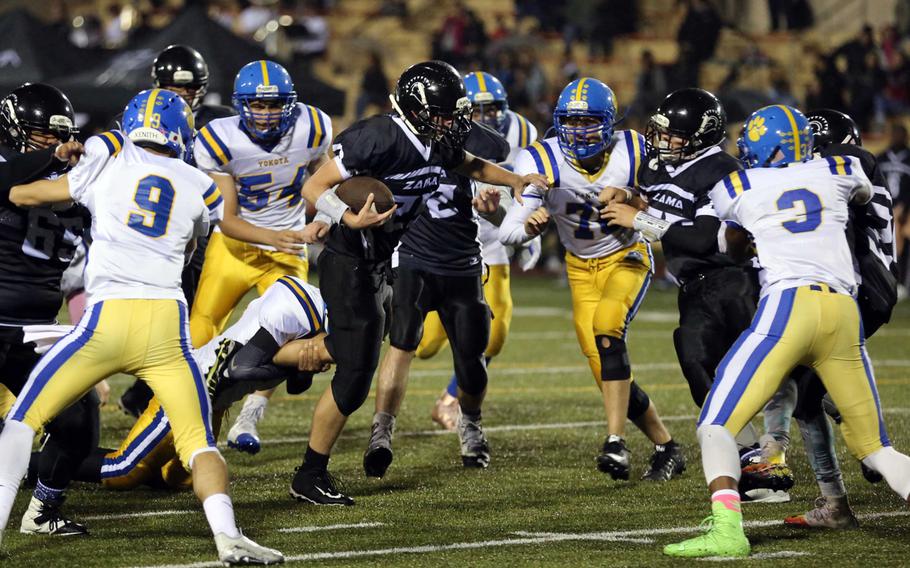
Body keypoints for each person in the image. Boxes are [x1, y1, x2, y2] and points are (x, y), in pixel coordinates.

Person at [0, 89, 283, 565]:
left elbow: (19, 191)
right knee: (199, 444)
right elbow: (197, 243)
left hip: (105, 324)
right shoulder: (202, 184)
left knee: (24, 422)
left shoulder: (105, 159)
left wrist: (78, 157)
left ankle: (23, 515)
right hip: (166, 329)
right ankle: (230, 536)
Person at [291, 60, 547, 505]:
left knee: (359, 360)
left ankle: (286, 359)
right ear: (414, 109)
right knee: (355, 375)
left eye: (454, 114)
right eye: (443, 113)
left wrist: (516, 180)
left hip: (379, 264)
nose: (452, 123)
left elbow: (470, 163)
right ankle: (308, 470)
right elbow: (313, 187)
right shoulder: (376, 136)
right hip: (349, 262)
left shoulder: (435, 139)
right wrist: (346, 216)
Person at [663, 105, 910, 558]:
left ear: (767, 148)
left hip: (789, 306)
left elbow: (726, 242)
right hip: (842, 311)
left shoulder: (739, 184)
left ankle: (727, 530)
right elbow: (860, 194)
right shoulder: (839, 167)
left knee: (716, 424)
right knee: (877, 448)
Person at [499, 78, 683, 481]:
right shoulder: (541, 159)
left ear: (610, 122)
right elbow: (509, 232)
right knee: (606, 370)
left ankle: (615, 443)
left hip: (627, 256)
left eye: (589, 122)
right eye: (572, 121)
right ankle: (667, 446)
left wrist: (634, 201)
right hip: (579, 269)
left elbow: (668, 211)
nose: (579, 131)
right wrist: (528, 227)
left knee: (608, 328)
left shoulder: (633, 149)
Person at [61, 276, 330, 491]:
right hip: (189, 390)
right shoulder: (298, 311)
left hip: (214, 405)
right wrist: (284, 362)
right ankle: (42, 461)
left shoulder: (311, 324)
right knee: (124, 472)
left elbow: (295, 385)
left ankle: (146, 462)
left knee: (181, 479)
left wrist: (305, 365)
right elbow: (239, 368)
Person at [189, 60, 332, 455]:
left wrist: (325, 217)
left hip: (288, 247)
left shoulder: (313, 127)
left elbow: (328, 180)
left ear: (290, 104)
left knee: (290, 333)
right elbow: (229, 220)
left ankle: (251, 413)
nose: (266, 114)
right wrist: (282, 236)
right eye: (257, 104)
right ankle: (199, 428)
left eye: (274, 105)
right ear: (240, 104)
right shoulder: (218, 140)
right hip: (236, 247)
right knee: (202, 333)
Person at [363, 120, 510, 478]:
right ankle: (381, 433)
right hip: (412, 259)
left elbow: (502, 216)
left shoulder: (475, 149)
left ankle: (471, 424)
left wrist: (492, 210)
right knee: (402, 342)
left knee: (472, 358)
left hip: (463, 265)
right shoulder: (398, 145)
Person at [117, 43, 237, 418]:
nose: (182, 93)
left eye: (189, 87)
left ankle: (148, 394)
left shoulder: (220, 121)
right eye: (174, 86)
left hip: (203, 227)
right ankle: (144, 389)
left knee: (193, 315)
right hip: (154, 231)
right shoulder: (139, 119)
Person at [0, 82, 97, 536]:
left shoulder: (78, 187)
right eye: (42, 135)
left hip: (36, 328)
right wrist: (55, 159)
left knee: (79, 420)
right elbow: (10, 180)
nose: (53, 144)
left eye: (58, 137)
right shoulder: (10, 167)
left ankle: (40, 512)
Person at [420, 71, 540, 430]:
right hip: (447, 239)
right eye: (479, 110)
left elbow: (531, 187)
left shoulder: (523, 133)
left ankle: (450, 399)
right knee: (425, 345)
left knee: (496, 330)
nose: (487, 118)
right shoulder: (437, 131)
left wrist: (527, 230)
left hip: (493, 239)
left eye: (494, 109)